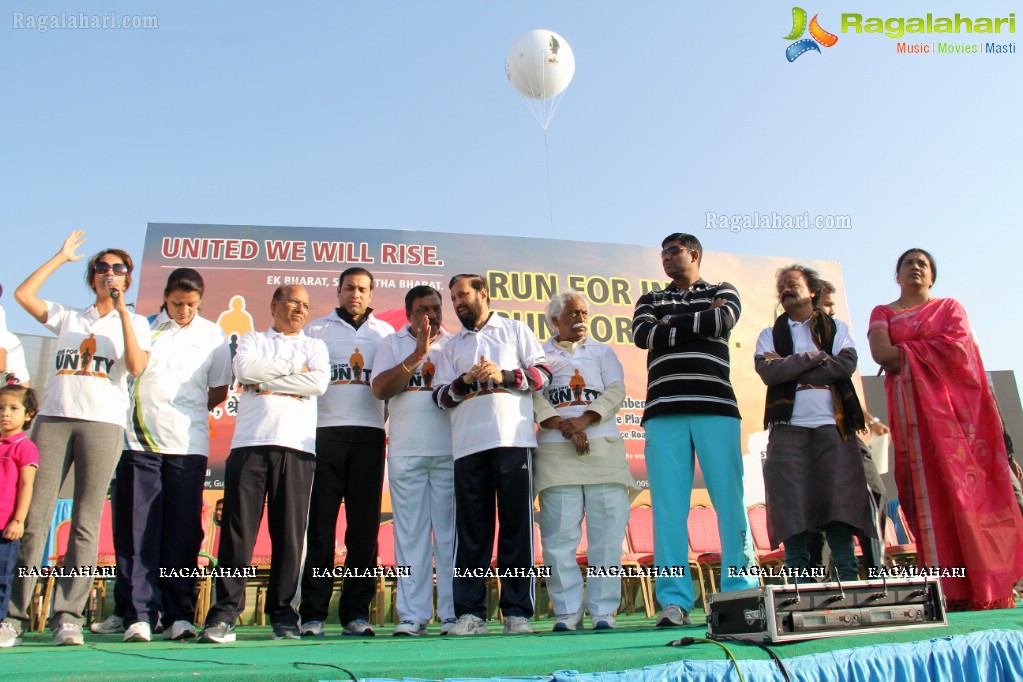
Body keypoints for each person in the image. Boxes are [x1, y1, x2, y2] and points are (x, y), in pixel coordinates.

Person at [4, 231, 150, 647]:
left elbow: (137, 366)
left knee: (86, 522)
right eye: (102, 268)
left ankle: (68, 616)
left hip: (102, 424)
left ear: (128, 277)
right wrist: (60, 257)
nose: (109, 274)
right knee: (33, 518)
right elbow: (22, 294)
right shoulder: (70, 316)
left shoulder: (136, 322)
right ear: (92, 276)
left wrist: (121, 310)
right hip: (53, 420)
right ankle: (13, 615)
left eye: (118, 269)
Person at [868, 248, 1023, 610]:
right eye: (908, 263)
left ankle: (988, 585)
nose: (916, 268)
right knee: (931, 501)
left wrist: (905, 349)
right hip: (916, 425)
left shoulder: (950, 307)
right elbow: (881, 354)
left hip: (962, 425)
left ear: (932, 277)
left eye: (923, 264)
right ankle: (948, 590)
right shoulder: (883, 312)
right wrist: (923, 349)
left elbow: (960, 351)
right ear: (897, 275)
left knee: (972, 498)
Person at [631, 232, 758, 626]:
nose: (666, 258)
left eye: (674, 251)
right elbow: (642, 335)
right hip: (663, 411)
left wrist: (670, 325)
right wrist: (695, 323)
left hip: (715, 407)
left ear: (694, 254)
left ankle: (739, 592)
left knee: (729, 502)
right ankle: (675, 601)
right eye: (663, 253)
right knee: (668, 509)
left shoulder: (723, 290)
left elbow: (724, 318)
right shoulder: (650, 299)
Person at [101, 268, 231, 643]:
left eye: (191, 304)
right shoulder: (144, 327)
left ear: (201, 301)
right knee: (139, 532)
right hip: (140, 443)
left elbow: (218, 391)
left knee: (183, 534)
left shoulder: (213, 336)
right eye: (177, 303)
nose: (184, 310)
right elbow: (134, 368)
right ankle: (140, 614)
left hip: (188, 447)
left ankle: (179, 614)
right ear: (165, 298)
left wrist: (186, 413)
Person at [198, 285, 328, 642]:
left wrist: (267, 380)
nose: (300, 309)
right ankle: (224, 614)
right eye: (293, 302)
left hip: (297, 449)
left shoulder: (314, 346)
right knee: (239, 533)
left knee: (288, 535)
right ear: (274, 305)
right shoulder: (252, 339)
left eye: (305, 305)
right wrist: (289, 371)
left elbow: (318, 383)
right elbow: (245, 370)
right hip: (250, 446)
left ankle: (283, 615)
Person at [433, 274, 551, 635]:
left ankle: (517, 613)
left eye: (463, 295)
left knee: (516, 526)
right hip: (467, 446)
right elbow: (439, 397)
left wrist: (503, 376)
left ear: (483, 293)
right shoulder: (451, 346)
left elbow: (543, 374)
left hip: (513, 440)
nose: (458, 303)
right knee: (471, 532)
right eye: (453, 298)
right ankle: (470, 614)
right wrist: (466, 381)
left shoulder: (514, 330)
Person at [755, 266, 874, 582]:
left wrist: (789, 367)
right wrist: (816, 358)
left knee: (839, 500)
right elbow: (769, 373)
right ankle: (798, 578)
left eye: (792, 284)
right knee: (789, 500)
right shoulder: (769, 334)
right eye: (781, 285)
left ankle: (847, 574)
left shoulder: (837, 328)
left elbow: (845, 365)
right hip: (787, 426)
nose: (786, 289)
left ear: (812, 291)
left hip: (833, 425)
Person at [298, 268, 394, 638]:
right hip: (325, 436)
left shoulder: (385, 334)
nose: (356, 294)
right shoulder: (315, 330)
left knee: (363, 531)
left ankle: (356, 613)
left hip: (370, 437)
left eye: (363, 289)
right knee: (321, 528)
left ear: (372, 295)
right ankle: (313, 615)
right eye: (350, 288)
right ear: (338, 291)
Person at [533, 291, 634, 630]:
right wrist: (564, 424)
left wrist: (585, 419)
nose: (580, 318)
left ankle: (603, 610)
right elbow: (533, 395)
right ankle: (566, 611)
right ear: (554, 321)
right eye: (573, 312)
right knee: (559, 539)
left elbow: (616, 391)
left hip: (603, 451)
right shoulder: (539, 355)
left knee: (606, 537)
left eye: (584, 312)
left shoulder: (602, 352)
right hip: (555, 453)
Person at [371, 285, 456, 636]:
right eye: (423, 309)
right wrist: (418, 352)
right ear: (408, 314)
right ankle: (412, 615)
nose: (431, 315)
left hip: (450, 451)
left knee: (450, 537)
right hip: (406, 451)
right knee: (410, 537)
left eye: (436, 308)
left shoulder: (456, 343)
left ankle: (453, 614)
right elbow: (380, 389)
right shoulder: (391, 344)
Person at [806, 280, 889, 576]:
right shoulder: (786, 335)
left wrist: (871, 419)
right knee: (817, 504)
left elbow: (844, 381)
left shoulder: (836, 334)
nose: (831, 310)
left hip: (845, 429)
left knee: (872, 491)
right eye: (827, 304)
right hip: (808, 432)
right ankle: (819, 576)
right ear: (812, 300)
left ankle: (876, 568)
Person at [0, 385, 40, 648]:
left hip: (6, 528)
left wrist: (18, 520)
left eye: (14, 408)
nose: (5, 414)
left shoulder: (25, 447)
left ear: (29, 414)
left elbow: (27, 485)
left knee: (2, 577)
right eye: (1, 408)